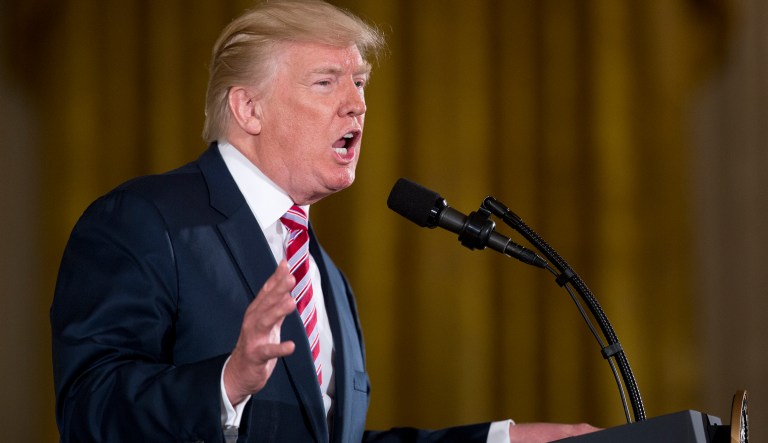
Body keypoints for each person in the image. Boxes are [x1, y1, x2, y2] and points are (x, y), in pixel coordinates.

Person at [50, 1, 599, 442]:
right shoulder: (147, 221)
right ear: (249, 108)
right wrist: (226, 382)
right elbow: (88, 410)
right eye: (326, 82)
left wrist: (503, 440)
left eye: (359, 82)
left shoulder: (325, 276)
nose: (357, 104)